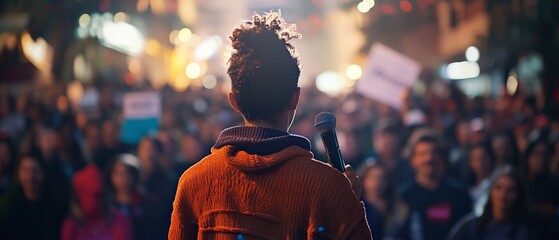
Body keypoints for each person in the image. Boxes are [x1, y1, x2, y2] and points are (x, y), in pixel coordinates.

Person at [169, 11, 372, 239]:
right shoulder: (328, 187)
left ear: (233, 101)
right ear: (295, 99)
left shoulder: (194, 182)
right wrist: (346, 200)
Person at [397, 136, 471, 240]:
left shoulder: (459, 195)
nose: (429, 158)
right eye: (423, 154)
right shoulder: (405, 195)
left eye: (433, 152)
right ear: (413, 161)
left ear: (441, 158)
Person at [447, 168, 538, 240]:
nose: (504, 195)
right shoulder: (469, 228)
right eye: (498, 188)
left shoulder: (528, 231)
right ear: (490, 192)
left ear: (518, 194)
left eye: (511, 190)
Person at [0, 154, 67, 240]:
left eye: (35, 171)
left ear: (42, 173)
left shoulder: (54, 204)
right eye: (25, 170)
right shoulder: (8, 204)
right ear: (18, 173)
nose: (30, 176)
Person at [105, 154, 169, 240]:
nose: (122, 178)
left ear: (134, 175)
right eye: (117, 173)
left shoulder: (148, 202)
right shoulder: (105, 203)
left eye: (126, 173)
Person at [61, 164, 133, 240]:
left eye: (99, 195)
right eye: (92, 195)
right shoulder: (71, 226)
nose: (95, 200)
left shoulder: (120, 221)